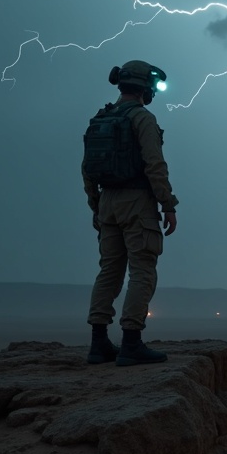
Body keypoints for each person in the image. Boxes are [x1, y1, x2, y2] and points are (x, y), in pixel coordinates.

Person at [82, 60, 178, 366]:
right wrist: (168, 203)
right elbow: (155, 164)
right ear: (145, 88)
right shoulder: (142, 118)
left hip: (107, 202)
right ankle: (131, 342)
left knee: (109, 270)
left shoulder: (101, 118)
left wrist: (96, 206)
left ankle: (98, 345)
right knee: (142, 270)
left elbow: (86, 169)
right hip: (137, 202)